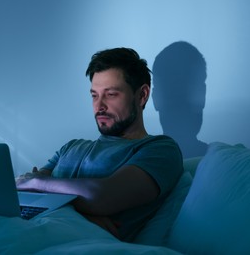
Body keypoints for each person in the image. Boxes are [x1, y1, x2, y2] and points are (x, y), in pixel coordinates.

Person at [16, 47, 183, 242]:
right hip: (26, 231)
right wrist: (86, 215)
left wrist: (37, 182)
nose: (99, 106)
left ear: (142, 95)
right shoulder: (71, 147)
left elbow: (101, 196)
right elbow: (23, 194)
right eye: (94, 95)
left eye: (111, 94)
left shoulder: (160, 149)